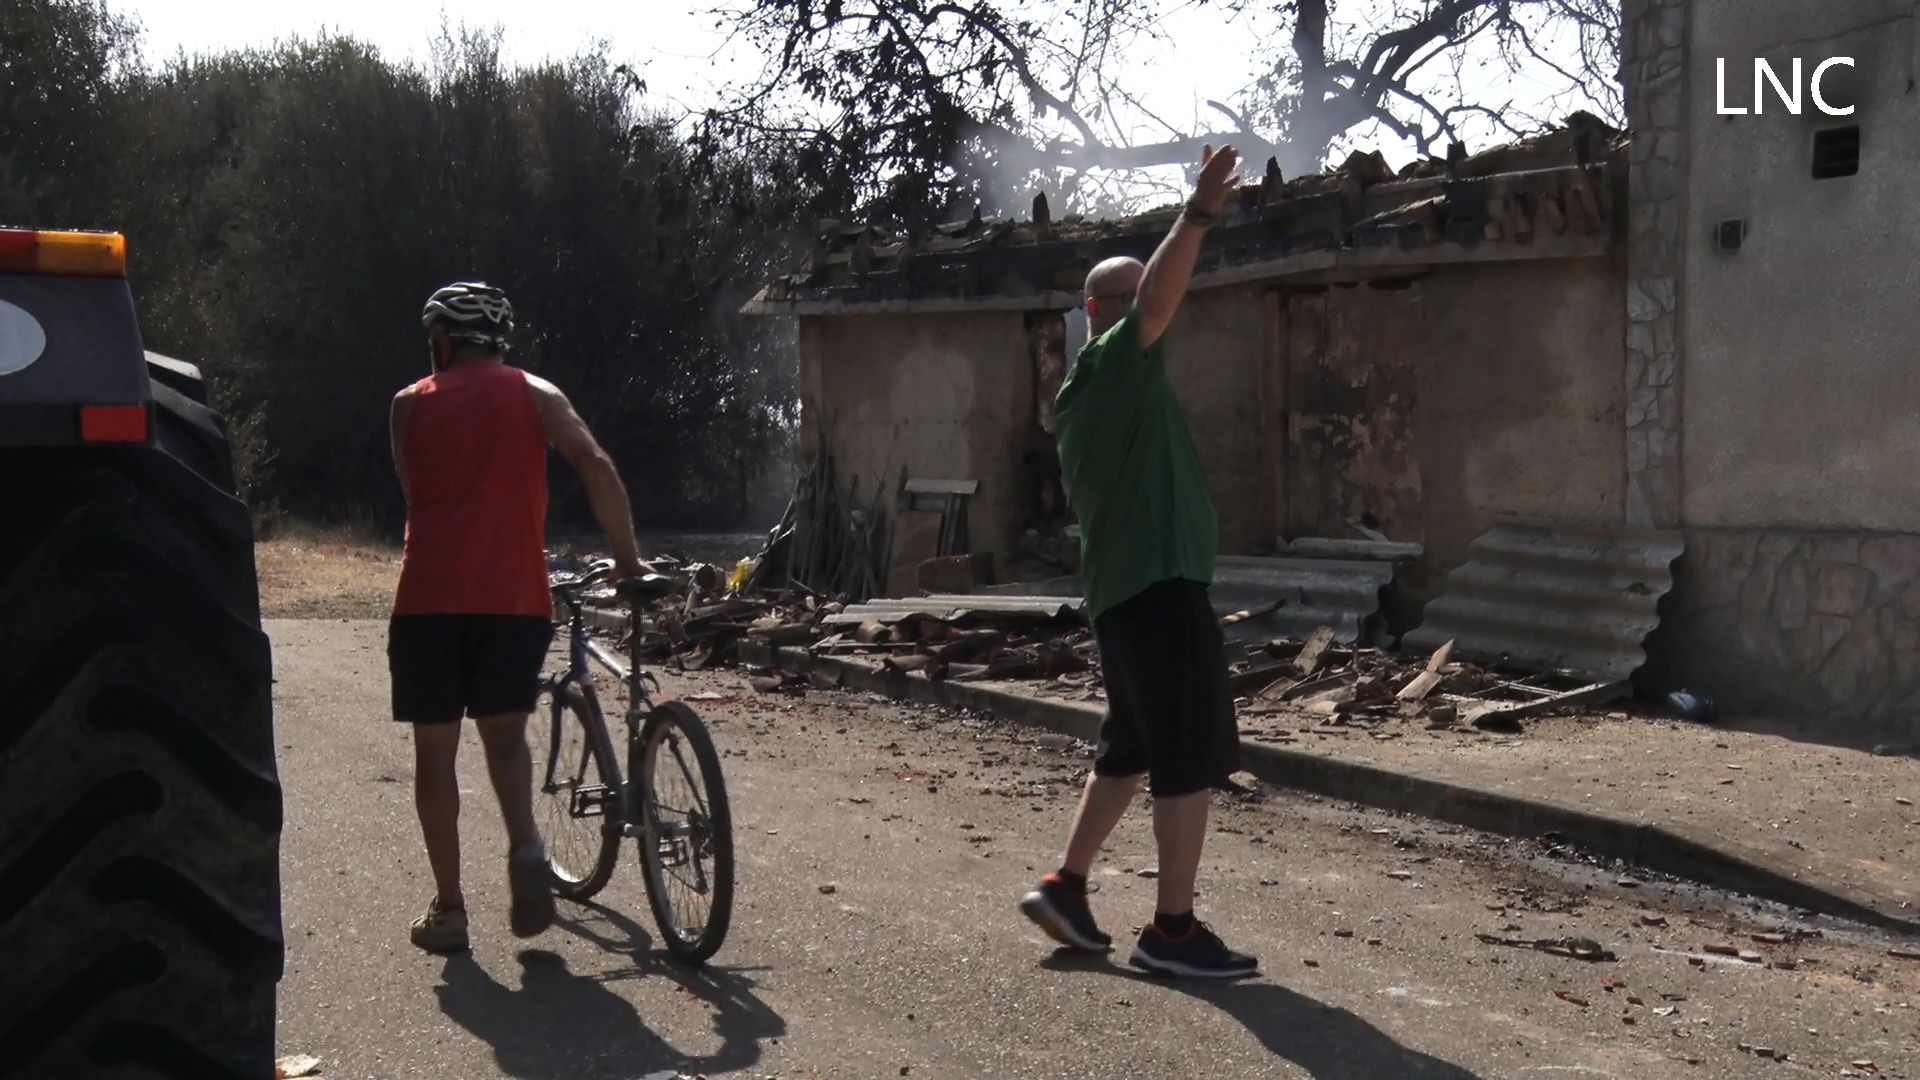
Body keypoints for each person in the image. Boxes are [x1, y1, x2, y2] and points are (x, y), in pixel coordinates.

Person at [1019, 146, 1258, 979]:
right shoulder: (1117, 360)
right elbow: (1155, 297)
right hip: (1157, 590)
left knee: (1129, 748)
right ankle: (1173, 932)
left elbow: (1151, 298)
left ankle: (1067, 886)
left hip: (1126, 595)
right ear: (1099, 311)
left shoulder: (1092, 387)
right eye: (1129, 303)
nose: (1156, 314)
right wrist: (1195, 218)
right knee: (1187, 754)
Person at [388, 281, 645, 953]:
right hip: (513, 597)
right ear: (498, 340)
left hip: (430, 598)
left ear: (442, 341)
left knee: (436, 750)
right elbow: (593, 460)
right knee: (505, 736)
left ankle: (449, 911)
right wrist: (626, 561)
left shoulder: (407, 407)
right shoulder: (538, 394)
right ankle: (527, 844)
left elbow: (415, 497)